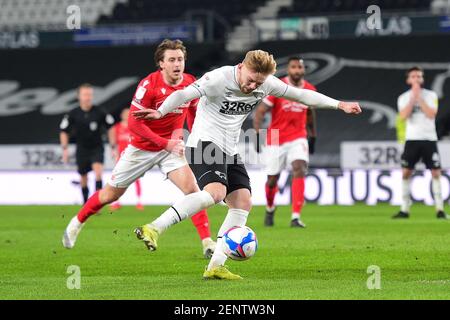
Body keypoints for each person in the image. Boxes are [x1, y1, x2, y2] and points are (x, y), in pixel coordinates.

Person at [132, 49, 362, 280]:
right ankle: (154, 227)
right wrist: (161, 111)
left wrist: (339, 104)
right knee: (216, 192)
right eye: (251, 80)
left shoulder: (267, 83)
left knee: (243, 202)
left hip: (229, 149)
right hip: (204, 143)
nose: (253, 87)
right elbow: (182, 95)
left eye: (258, 83)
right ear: (241, 66)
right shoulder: (218, 78)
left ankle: (215, 266)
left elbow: (301, 96)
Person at [62, 39, 216, 258]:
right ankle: (77, 222)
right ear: (161, 64)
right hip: (142, 148)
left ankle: (207, 243)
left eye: (180, 59)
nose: (177, 64)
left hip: (170, 149)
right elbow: (134, 124)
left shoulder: (190, 82)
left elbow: (192, 110)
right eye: (171, 60)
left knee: (192, 192)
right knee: (109, 195)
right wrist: (166, 143)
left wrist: (195, 139)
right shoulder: (148, 85)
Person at [253, 57, 317, 228]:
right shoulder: (278, 87)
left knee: (299, 167)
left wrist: (313, 135)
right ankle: (270, 207)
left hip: (298, 136)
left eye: (300, 67)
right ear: (289, 70)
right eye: (294, 67)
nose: (297, 70)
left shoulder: (310, 89)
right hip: (275, 137)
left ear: (304, 70)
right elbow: (260, 111)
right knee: (273, 179)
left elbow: (310, 114)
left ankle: (295, 216)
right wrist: (257, 133)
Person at [393, 66, 448, 219]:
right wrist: (413, 98)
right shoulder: (403, 97)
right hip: (412, 139)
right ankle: (404, 209)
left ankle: (440, 209)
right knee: (406, 172)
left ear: (422, 79)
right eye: (414, 76)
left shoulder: (431, 95)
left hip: (429, 139)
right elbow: (403, 116)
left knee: (436, 172)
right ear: (408, 80)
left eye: (419, 76)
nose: (417, 79)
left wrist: (419, 98)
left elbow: (431, 114)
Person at [59, 83, 115, 203]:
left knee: (98, 172)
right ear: (79, 96)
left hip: (97, 147)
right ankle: (86, 203)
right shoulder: (73, 113)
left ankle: (97, 203)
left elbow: (111, 127)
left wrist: (113, 146)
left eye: (89, 94)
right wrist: (65, 149)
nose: (87, 97)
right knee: (83, 177)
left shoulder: (100, 112)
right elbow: (63, 131)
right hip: (82, 149)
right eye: (85, 94)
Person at [109, 108, 144, 211]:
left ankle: (139, 201)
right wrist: (113, 152)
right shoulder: (117, 127)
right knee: (117, 179)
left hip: (133, 157)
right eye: (124, 114)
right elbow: (113, 142)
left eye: (128, 114)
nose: (126, 115)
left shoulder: (134, 127)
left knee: (137, 179)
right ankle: (116, 202)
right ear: (121, 115)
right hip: (121, 158)